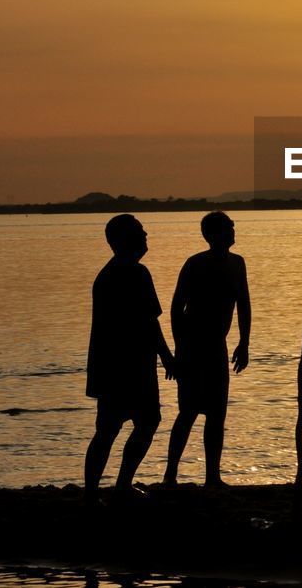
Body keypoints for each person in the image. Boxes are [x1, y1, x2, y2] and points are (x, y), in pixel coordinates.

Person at [84, 214, 175, 503]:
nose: (145, 235)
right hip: (126, 365)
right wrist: (167, 357)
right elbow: (149, 321)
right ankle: (114, 486)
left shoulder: (114, 274)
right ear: (122, 240)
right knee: (127, 426)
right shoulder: (133, 273)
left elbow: (150, 319)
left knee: (117, 427)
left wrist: (163, 357)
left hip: (119, 364)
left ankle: (103, 490)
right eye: (139, 232)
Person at [163, 211, 252, 488]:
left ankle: (212, 475)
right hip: (192, 346)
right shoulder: (195, 264)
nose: (232, 231)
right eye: (227, 228)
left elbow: (244, 305)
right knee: (188, 412)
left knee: (217, 414)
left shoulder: (238, 264)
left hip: (218, 347)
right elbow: (177, 308)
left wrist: (244, 342)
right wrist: (178, 351)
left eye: (232, 227)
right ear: (212, 234)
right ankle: (170, 475)